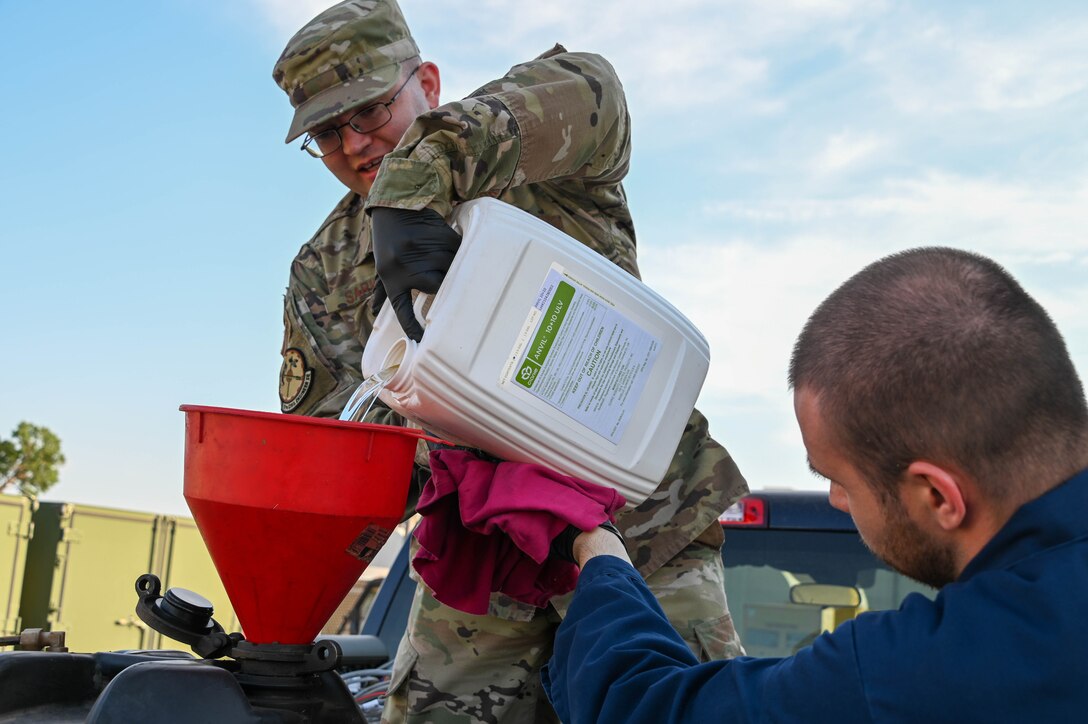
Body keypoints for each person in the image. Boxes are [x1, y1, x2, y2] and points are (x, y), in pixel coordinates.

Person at [270, 2, 750, 721]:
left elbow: (595, 89)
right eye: (327, 134)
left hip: (641, 536)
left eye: (369, 112)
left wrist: (416, 180)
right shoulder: (326, 270)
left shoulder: (527, 147)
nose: (355, 144)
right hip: (482, 562)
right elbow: (338, 457)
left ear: (426, 82)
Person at [542, 246, 1088, 723]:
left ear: (938, 497)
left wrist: (601, 553)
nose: (836, 501)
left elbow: (647, 709)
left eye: (839, 479)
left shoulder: (931, 673)